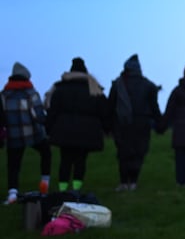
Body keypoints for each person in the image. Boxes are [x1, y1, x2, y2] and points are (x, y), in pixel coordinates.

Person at [46, 57, 108, 192]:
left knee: (65, 160)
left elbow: (53, 111)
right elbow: (104, 111)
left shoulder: (60, 88)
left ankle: (63, 189)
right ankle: (76, 188)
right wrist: (107, 129)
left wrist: (48, 129)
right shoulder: (94, 89)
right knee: (81, 161)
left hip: (64, 130)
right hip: (87, 131)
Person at [108, 54, 163, 192]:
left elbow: (110, 106)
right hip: (142, 123)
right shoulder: (149, 85)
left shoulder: (117, 84)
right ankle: (133, 182)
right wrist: (160, 124)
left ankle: (123, 182)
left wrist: (107, 125)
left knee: (123, 153)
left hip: (121, 123)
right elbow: (154, 107)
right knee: (138, 153)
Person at [2, 62, 51, 204]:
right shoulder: (31, 93)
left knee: (13, 165)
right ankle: (45, 182)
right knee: (46, 153)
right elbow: (39, 116)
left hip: (13, 135)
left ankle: (12, 193)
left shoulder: (4, 95)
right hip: (33, 134)